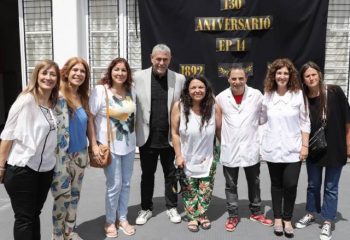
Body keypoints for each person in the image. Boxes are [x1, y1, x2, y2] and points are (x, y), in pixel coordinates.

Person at [0, 59, 60, 240]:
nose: (48, 77)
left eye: (52, 74)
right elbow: (7, 134)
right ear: (36, 75)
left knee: (34, 214)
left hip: (44, 170)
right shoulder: (26, 100)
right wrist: (1, 166)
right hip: (23, 168)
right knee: (25, 218)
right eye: (44, 73)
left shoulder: (51, 104)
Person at [295, 61, 350, 240]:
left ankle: (327, 220)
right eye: (307, 76)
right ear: (303, 79)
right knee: (313, 185)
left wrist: (348, 145)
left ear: (319, 74)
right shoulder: (301, 97)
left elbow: (347, 120)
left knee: (331, 187)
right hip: (314, 149)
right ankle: (311, 213)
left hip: (336, 148)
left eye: (313, 74)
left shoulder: (334, 91)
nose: (311, 78)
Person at [215, 67, 273, 232]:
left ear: (246, 79)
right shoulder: (220, 98)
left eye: (240, 78)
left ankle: (256, 211)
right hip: (230, 148)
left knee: (254, 182)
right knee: (230, 184)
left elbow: (263, 119)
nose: (237, 82)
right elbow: (218, 124)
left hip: (250, 147)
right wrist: (223, 141)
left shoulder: (256, 95)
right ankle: (233, 215)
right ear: (228, 79)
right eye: (233, 78)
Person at [134, 43, 185, 225]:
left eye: (165, 59)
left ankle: (171, 207)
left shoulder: (179, 79)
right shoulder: (138, 77)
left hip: (170, 138)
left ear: (170, 60)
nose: (161, 62)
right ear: (151, 58)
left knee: (171, 175)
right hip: (147, 137)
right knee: (147, 175)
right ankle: (146, 208)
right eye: (158, 59)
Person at [260, 58, 310, 238]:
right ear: (273, 75)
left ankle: (288, 219)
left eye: (285, 73)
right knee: (276, 184)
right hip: (273, 148)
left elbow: (305, 121)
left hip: (293, 149)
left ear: (291, 76)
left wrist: (305, 145)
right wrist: (261, 140)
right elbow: (262, 120)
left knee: (291, 183)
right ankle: (278, 219)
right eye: (279, 73)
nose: (282, 76)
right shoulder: (267, 94)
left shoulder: (298, 94)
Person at [89, 58, 136, 238]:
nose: (120, 73)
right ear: (110, 71)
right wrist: (94, 144)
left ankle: (122, 218)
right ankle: (110, 220)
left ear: (128, 73)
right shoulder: (101, 91)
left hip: (129, 146)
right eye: (116, 69)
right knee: (114, 185)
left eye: (123, 70)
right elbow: (90, 118)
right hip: (109, 147)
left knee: (125, 183)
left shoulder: (131, 90)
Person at [171, 75, 221, 232]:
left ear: (206, 90)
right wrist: (178, 155)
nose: (197, 90)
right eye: (193, 87)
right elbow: (174, 133)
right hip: (186, 156)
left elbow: (219, 131)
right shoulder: (178, 106)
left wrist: (226, 150)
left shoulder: (214, 107)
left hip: (208, 157)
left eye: (201, 87)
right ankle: (193, 217)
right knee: (189, 189)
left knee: (205, 189)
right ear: (187, 90)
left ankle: (202, 215)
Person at [51, 57, 91, 240]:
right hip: (61, 156)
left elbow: (88, 123)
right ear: (66, 72)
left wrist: (94, 146)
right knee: (62, 198)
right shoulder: (56, 94)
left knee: (75, 196)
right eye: (75, 70)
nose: (79, 74)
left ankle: (69, 232)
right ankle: (57, 236)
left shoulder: (83, 96)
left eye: (82, 71)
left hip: (80, 154)